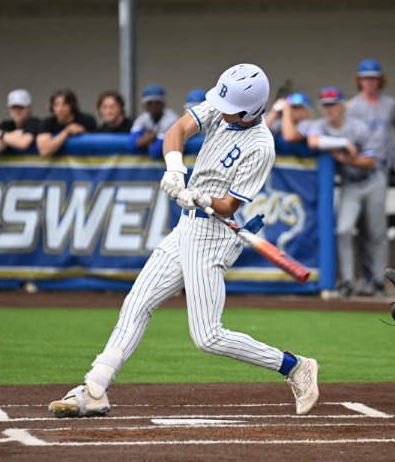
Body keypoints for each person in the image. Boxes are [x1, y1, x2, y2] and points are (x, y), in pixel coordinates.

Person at [48, 63, 320, 418]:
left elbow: (229, 206)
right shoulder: (221, 107)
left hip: (213, 236)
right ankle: (95, 389)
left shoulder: (261, 146)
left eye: (230, 107)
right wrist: (175, 169)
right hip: (186, 227)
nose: (221, 110)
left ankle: (295, 366)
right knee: (136, 304)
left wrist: (203, 198)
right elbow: (176, 130)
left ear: (250, 110)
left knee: (208, 336)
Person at [347, 58, 395, 296]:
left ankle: (379, 280)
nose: (369, 82)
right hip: (356, 171)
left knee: (377, 230)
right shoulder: (352, 106)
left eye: (373, 78)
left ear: (380, 80)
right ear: (359, 81)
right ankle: (367, 279)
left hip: (379, 169)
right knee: (361, 230)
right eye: (365, 78)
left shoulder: (389, 104)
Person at [307, 86, 385, 298]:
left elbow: (370, 161)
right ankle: (348, 282)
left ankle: (379, 281)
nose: (329, 109)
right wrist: (343, 143)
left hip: (372, 181)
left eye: (333, 104)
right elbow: (313, 141)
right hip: (350, 184)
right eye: (325, 105)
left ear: (342, 106)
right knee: (343, 229)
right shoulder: (320, 125)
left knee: (376, 233)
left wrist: (345, 158)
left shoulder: (358, 127)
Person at [36, 88, 97, 157]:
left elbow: (96, 145)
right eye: (56, 105)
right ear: (52, 107)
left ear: (72, 105)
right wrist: (66, 132)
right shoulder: (47, 122)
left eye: (65, 104)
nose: (60, 108)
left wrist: (83, 131)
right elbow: (44, 151)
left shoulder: (87, 120)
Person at [148, 89, 207, 159]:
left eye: (200, 111)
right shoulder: (179, 125)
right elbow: (155, 152)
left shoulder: (212, 128)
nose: (197, 115)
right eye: (192, 110)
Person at [0, 89, 40, 154]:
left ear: (29, 108)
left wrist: (1, 136)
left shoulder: (35, 122)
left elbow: (24, 143)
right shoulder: (6, 124)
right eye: (14, 107)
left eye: (21, 107)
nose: (17, 111)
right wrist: (16, 137)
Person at [130, 84, 179, 151]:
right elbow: (132, 145)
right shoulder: (142, 118)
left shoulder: (172, 119)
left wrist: (147, 137)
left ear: (163, 104)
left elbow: (156, 151)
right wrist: (154, 135)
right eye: (150, 103)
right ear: (145, 105)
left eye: (157, 102)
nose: (154, 106)